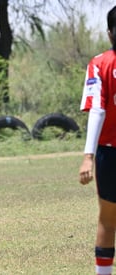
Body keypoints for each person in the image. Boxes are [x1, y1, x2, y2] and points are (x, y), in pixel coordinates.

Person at [79, 5, 116, 275]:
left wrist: (88, 156)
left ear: (110, 34)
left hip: (109, 152)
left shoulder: (100, 63)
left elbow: (98, 109)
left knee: (107, 219)